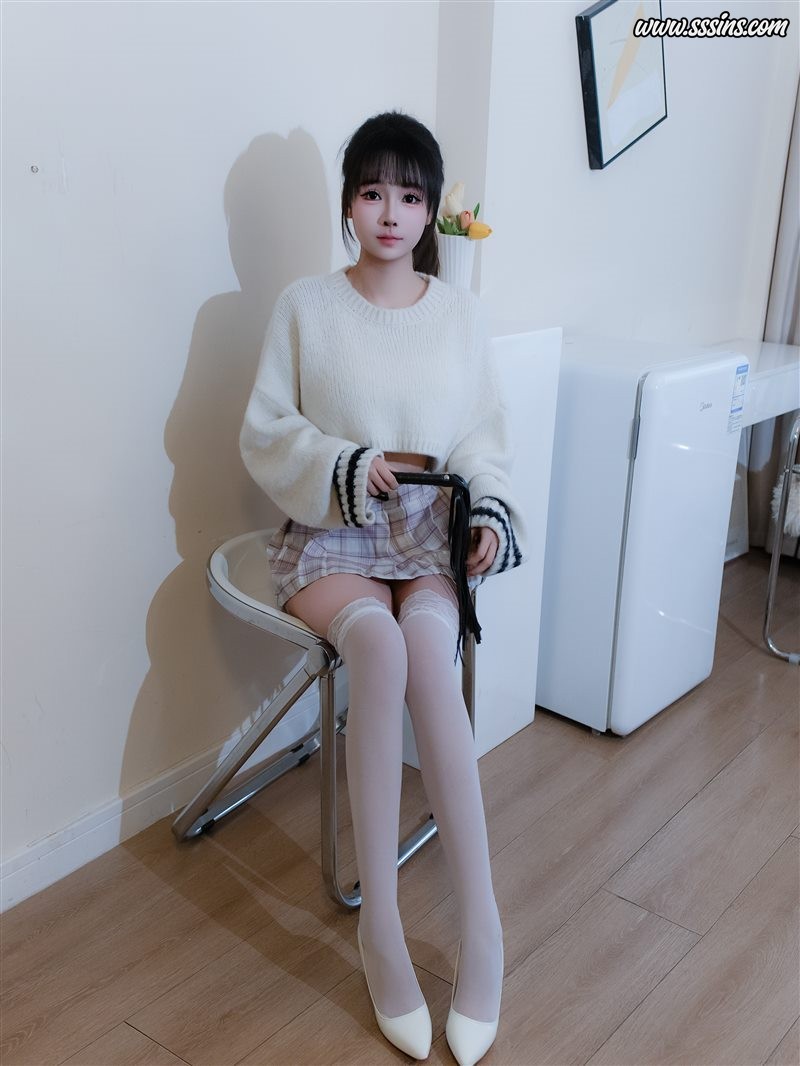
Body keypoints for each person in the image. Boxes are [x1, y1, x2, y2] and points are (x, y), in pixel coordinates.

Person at [240, 110, 527, 1065]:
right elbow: (267, 430)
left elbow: (482, 437)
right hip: (333, 528)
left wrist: (487, 514)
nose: (391, 213)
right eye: (372, 192)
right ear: (348, 205)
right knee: (378, 648)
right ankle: (383, 931)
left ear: (433, 209)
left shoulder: (459, 315)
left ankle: (482, 928)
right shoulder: (306, 307)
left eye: (410, 195)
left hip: (429, 528)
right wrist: (343, 461)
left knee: (430, 660)